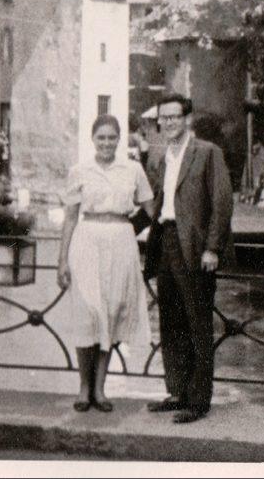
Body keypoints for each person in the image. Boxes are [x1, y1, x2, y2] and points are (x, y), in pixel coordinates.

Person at [146, 93, 233, 424]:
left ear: (187, 119)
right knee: (170, 320)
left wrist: (213, 248)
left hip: (195, 248)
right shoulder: (162, 156)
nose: (168, 122)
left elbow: (222, 203)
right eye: (163, 118)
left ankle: (198, 401)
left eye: (174, 117)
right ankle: (177, 392)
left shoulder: (207, 153)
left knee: (197, 323)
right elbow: (158, 203)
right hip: (166, 241)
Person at [58, 114, 154, 413]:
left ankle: (100, 389)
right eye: (101, 137)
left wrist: (137, 230)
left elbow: (152, 209)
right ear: (93, 139)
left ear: (119, 139)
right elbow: (70, 218)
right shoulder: (79, 171)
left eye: (112, 137)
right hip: (87, 241)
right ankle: (83, 387)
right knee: (87, 314)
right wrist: (62, 261)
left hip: (121, 242)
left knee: (111, 314)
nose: (107, 143)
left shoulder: (133, 169)